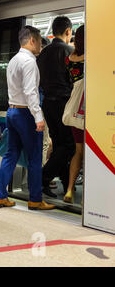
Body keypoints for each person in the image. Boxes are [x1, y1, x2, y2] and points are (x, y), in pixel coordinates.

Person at [0, 26, 55, 211]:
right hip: (26, 114)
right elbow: (30, 92)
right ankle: (35, 199)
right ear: (32, 41)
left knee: (10, 154)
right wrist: (38, 117)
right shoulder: (29, 62)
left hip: (12, 112)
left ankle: (0, 196)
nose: (40, 47)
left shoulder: (13, 60)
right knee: (35, 157)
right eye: (39, 42)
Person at [37, 16, 75, 198]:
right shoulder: (69, 51)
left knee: (59, 143)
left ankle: (68, 184)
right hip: (64, 103)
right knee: (69, 146)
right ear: (68, 31)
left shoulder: (43, 53)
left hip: (48, 104)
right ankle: (43, 178)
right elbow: (73, 80)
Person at [63, 25, 85, 204]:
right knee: (91, 152)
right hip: (88, 109)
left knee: (78, 151)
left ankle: (70, 189)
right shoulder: (92, 58)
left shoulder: (69, 59)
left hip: (73, 110)